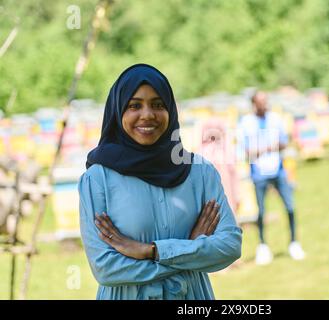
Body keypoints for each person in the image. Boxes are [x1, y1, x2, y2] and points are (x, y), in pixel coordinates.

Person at [78, 64, 242, 300]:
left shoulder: (201, 172)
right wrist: (188, 252)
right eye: (134, 105)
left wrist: (151, 251)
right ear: (117, 111)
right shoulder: (97, 179)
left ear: (170, 110)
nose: (147, 115)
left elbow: (229, 246)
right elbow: (106, 268)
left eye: (158, 104)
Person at [238, 90, 305, 265]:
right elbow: (245, 151)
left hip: (278, 171)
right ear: (254, 104)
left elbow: (283, 141)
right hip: (259, 173)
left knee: (290, 207)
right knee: (261, 212)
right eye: (261, 101)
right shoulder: (246, 122)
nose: (265, 104)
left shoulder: (275, 118)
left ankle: (294, 242)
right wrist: (264, 147)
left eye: (266, 101)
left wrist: (266, 147)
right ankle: (263, 246)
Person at [200, 118, 240, 214]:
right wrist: (237, 196)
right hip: (226, 200)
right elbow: (233, 172)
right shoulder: (226, 150)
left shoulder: (201, 152)